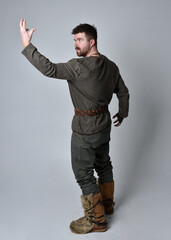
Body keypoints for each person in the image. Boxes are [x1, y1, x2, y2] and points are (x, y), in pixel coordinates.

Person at [19, 18, 129, 234]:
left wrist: (27, 45)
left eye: (80, 40)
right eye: (75, 40)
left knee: (83, 173)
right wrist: (123, 113)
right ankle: (107, 205)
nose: (76, 44)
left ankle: (97, 221)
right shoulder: (111, 66)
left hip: (84, 130)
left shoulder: (77, 67)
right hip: (104, 126)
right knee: (104, 163)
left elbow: (49, 69)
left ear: (92, 42)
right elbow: (123, 92)